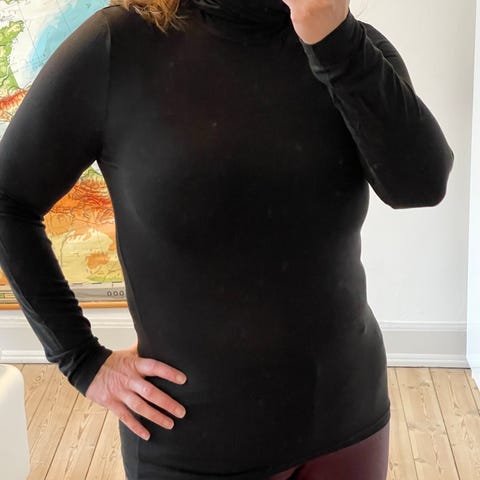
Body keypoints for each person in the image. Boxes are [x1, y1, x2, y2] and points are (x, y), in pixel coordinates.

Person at [0, 0, 454, 479]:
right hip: (193, 442)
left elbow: (421, 186)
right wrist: (82, 361)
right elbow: (9, 198)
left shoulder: (349, 44)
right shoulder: (119, 45)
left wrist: (336, 39)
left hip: (349, 419)